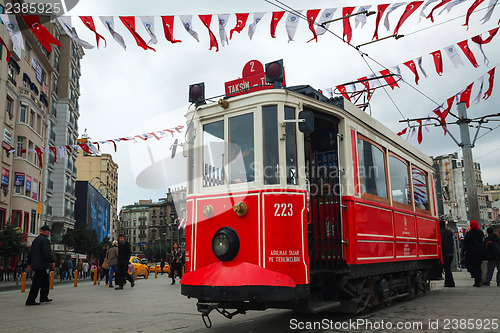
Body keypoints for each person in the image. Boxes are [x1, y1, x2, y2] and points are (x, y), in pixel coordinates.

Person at [25, 225, 55, 306]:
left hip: (36, 264)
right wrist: (52, 261)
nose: (49, 233)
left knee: (44, 282)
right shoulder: (45, 240)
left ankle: (44, 297)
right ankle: (30, 300)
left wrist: (29, 263)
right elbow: (46, 252)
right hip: (41, 265)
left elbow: (31, 253)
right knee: (37, 283)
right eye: (49, 231)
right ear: (45, 231)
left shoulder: (36, 240)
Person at [464, 220, 485, 287]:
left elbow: (465, 242)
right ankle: (477, 281)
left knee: (469, 265)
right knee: (478, 266)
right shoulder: (481, 233)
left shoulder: (469, 233)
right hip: (480, 251)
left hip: (471, 252)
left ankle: (478, 278)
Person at [440, 219, 455, 287]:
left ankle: (450, 282)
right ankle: (447, 282)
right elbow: (452, 242)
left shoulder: (439, 232)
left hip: (444, 252)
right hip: (450, 252)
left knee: (447, 268)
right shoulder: (449, 232)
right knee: (447, 268)